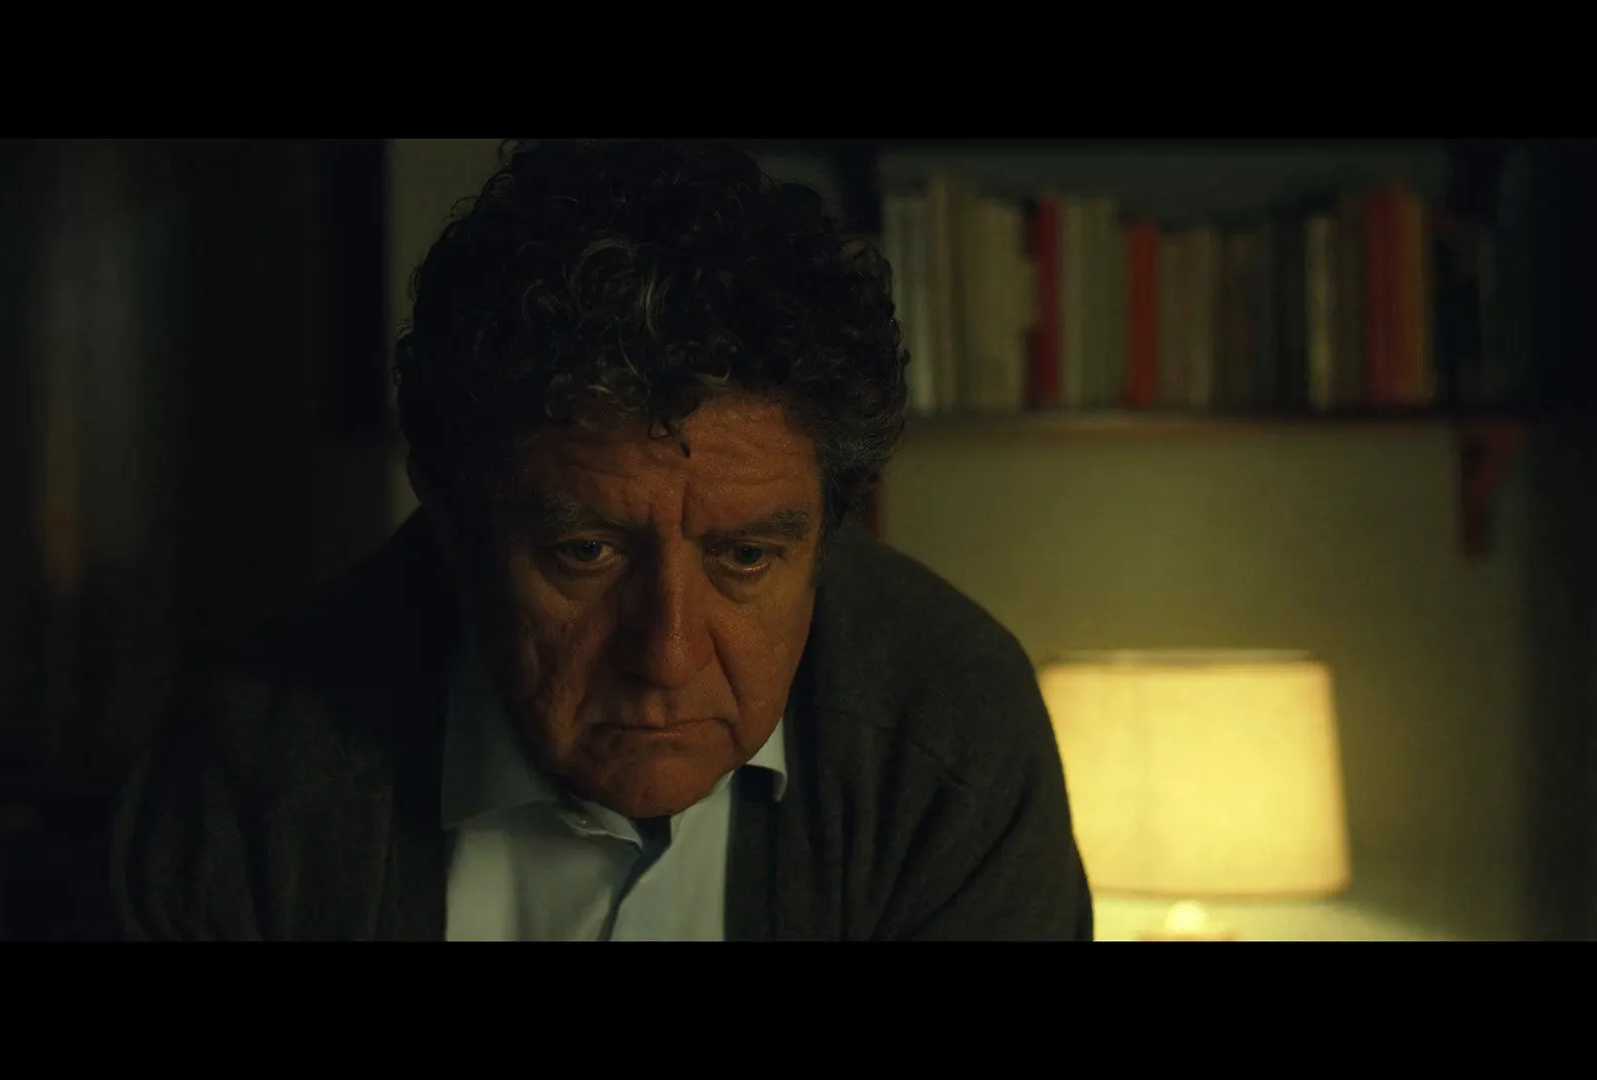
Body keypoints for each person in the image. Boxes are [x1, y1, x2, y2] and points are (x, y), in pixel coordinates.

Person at [110, 139, 1092, 940]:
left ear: (826, 540)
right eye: (587, 553)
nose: (665, 655)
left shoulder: (947, 736)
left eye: (746, 558)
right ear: (454, 527)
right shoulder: (251, 770)